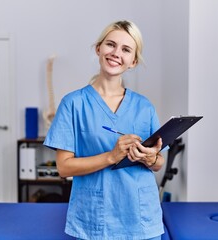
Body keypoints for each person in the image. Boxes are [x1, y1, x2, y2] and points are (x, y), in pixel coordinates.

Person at [44, 20, 165, 240]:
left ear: (133, 61)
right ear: (98, 48)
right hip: (95, 220)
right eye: (111, 44)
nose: (116, 53)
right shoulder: (73, 104)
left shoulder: (144, 106)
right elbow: (63, 167)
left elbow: (159, 163)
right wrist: (111, 156)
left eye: (126, 49)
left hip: (141, 219)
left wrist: (150, 158)